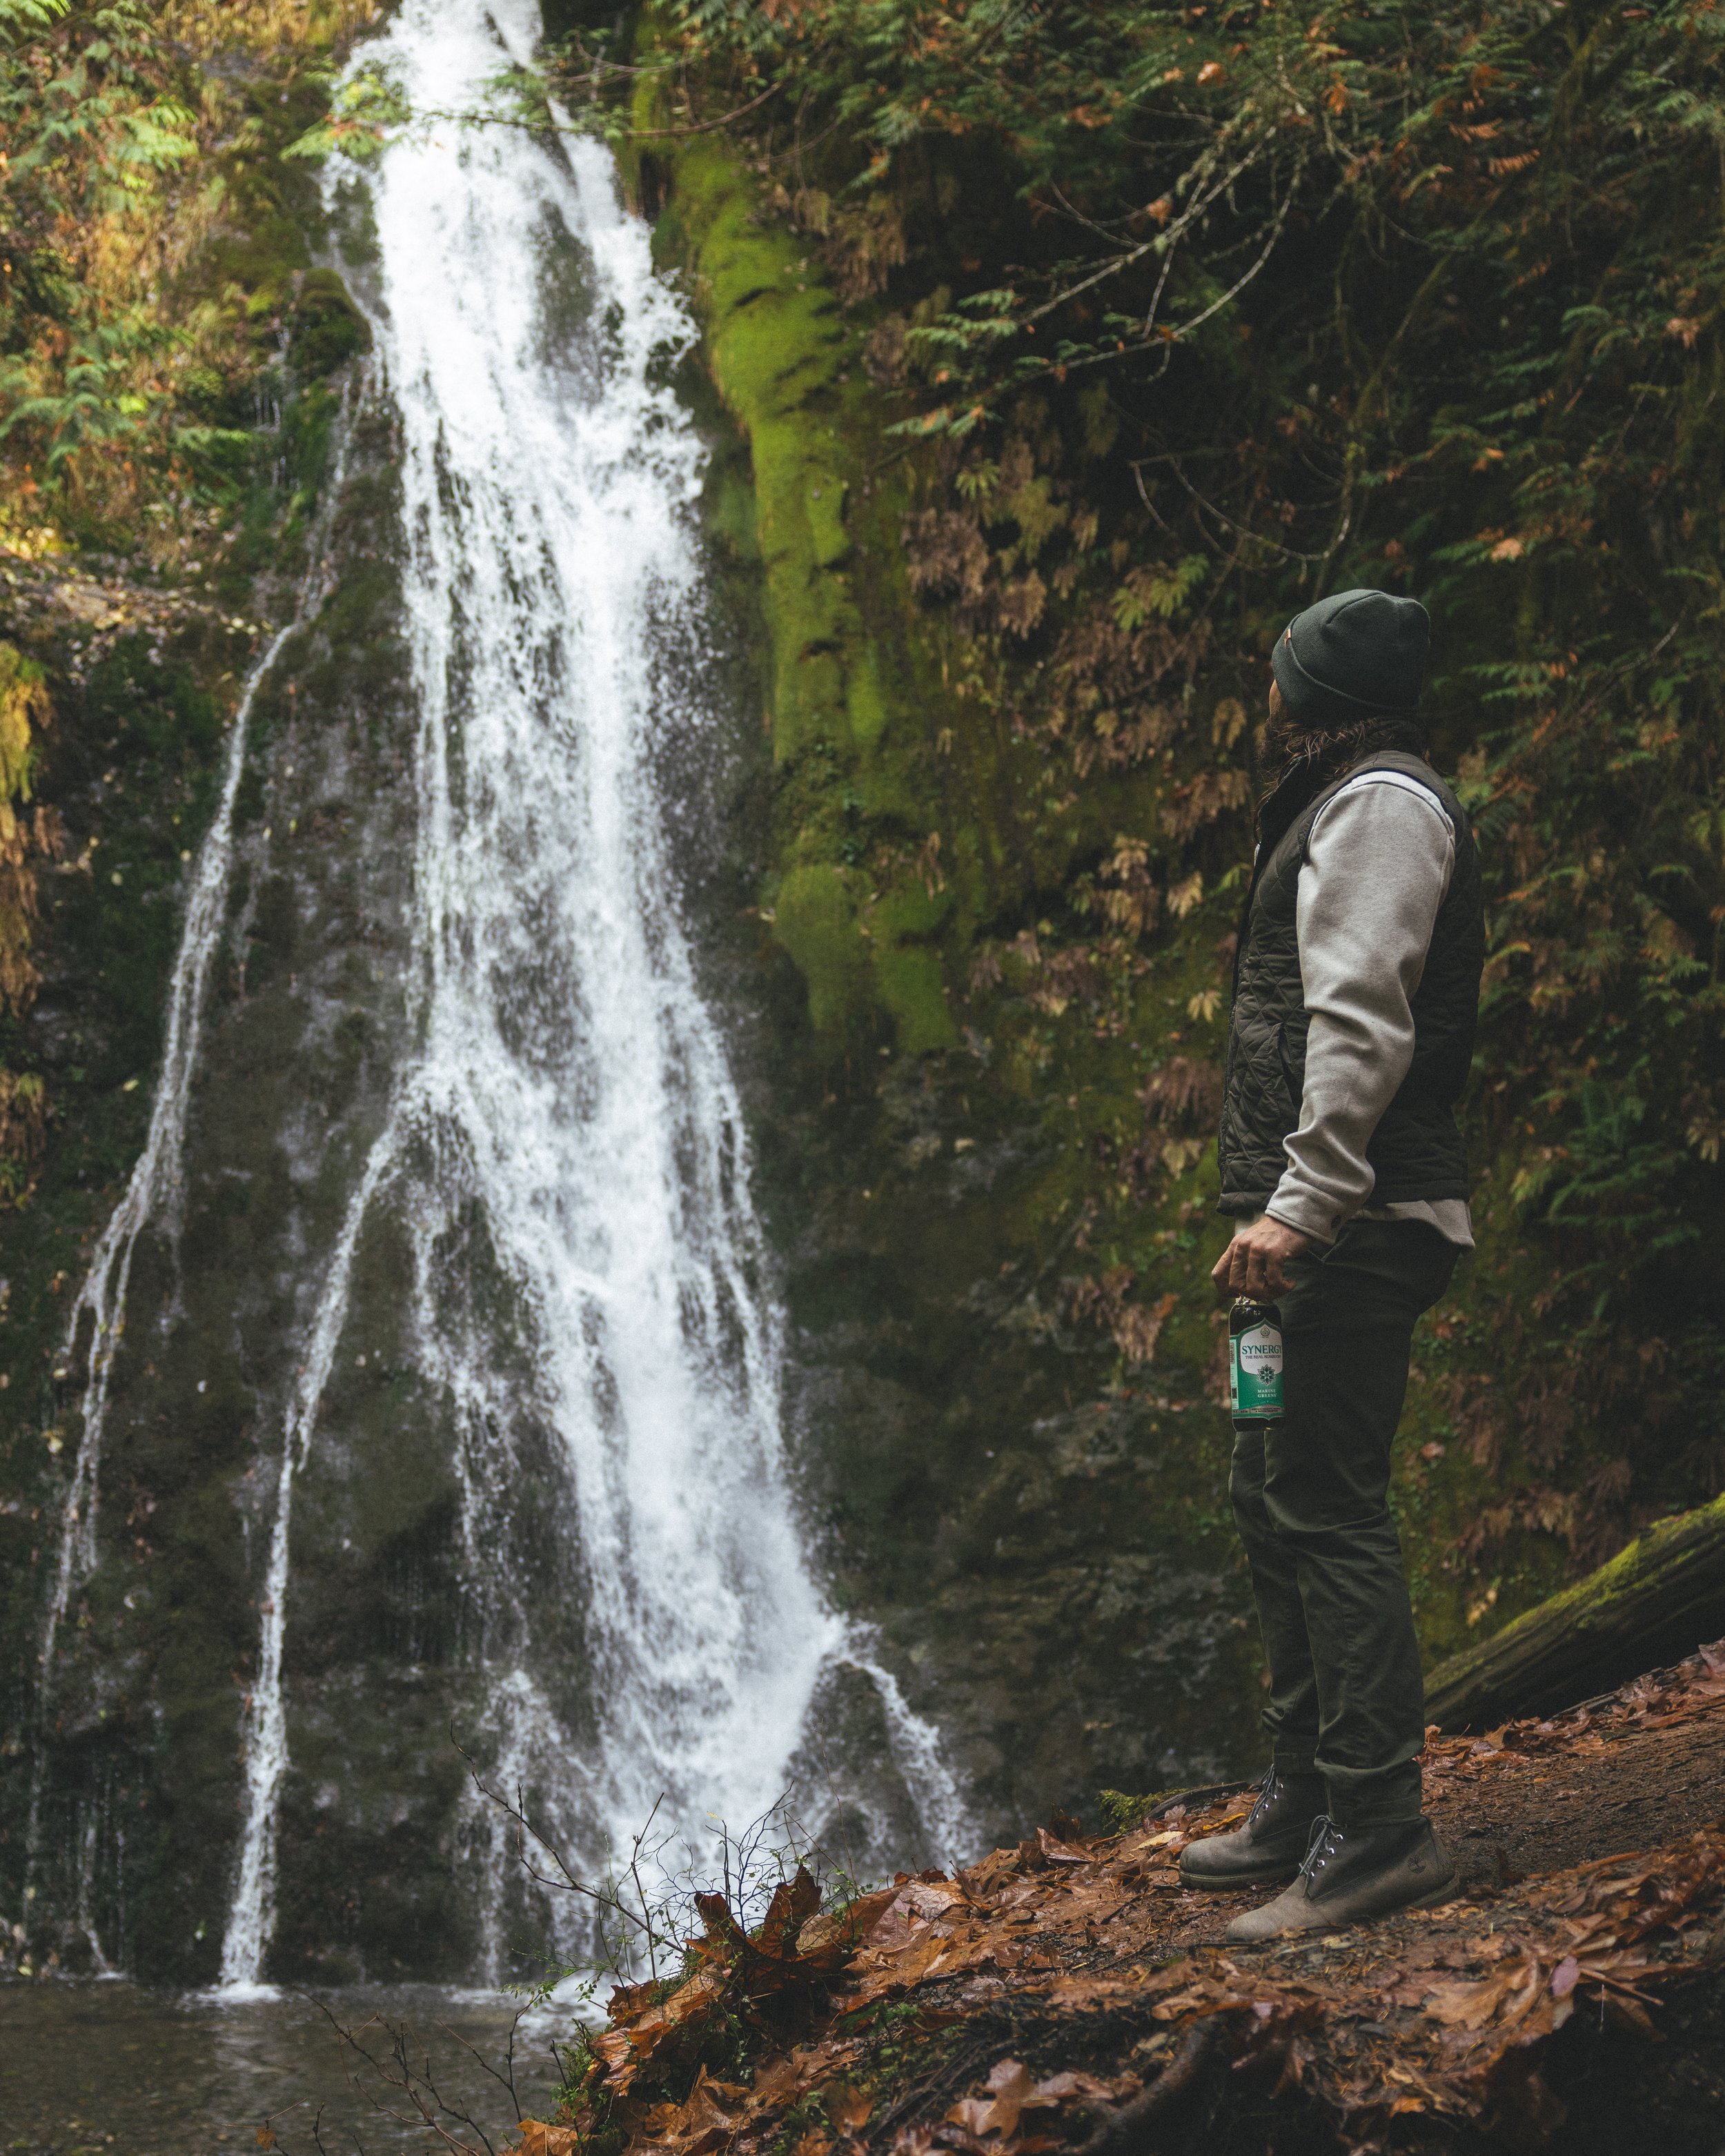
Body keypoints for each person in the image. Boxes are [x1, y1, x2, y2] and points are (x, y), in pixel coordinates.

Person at [1179, 588, 1485, 1941]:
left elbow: (1360, 1016)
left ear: (1322, 680)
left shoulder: (1377, 805)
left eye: (1281, 655)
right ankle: (1301, 1800)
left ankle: (1376, 1832)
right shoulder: (1340, 795)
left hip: (1351, 1226)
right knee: (1271, 1491)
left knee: (1323, 1501)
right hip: (1309, 1226)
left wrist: (1300, 1206)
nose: (1264, 672)